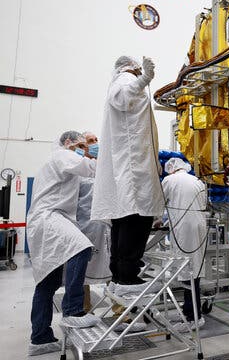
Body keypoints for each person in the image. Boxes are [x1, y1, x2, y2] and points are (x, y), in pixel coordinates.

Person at [92, 56, 164, 297]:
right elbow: (123, 98)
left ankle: (120, 275)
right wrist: (144, 79)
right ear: (132, 67)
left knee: (123, 222)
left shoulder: (120, 81)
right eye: (137, 69)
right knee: (136, 221)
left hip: (132, 170)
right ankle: (127, 277)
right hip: (134, 171)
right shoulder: (125, 80)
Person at [27, 131, 100, 356]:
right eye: (79, 145)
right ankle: (73, 310)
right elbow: (91, 169)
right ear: (67, 143)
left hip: (44, 221)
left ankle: (40, 338)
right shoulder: (61, 155)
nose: (82, 149)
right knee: (82, 246)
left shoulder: (59, 162)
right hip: (50, 217)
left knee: (47, 283)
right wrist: (98, 154)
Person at [161, 157, 207, 331]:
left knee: (187, 271)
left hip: (183, 228)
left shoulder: (169, 180)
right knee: (194, 269)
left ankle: (193, 317)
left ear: (171, 169)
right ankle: (189, 310)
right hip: (199, 226)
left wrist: (159, 220)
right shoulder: (197, 180)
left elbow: (159, 203)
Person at [76, 132, 111, 312]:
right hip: (84, 227)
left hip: (105, 225)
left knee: (112, 266)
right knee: (83, 270)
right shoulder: (78, 171)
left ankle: (120, 310)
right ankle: (85, 308)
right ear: (83, 147)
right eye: (91, 141)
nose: (96, 143)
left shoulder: (104, 168)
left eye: (97, 140)